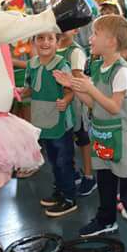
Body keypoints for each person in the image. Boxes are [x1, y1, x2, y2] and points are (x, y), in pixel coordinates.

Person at [55, 15, 127, 252]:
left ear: (110, 42)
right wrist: (78, 88)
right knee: (106, 182)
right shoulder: (100, 67)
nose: (89, 38)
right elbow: (93, 104)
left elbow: (113, 107)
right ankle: (106, 218)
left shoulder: (123, 71)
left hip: (123, 139)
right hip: (102, 135)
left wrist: (87, 86)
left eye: (94, 34)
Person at [25, 31, 77, 217]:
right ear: (34, 42)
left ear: (57, 42)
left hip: (60, 122)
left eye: (50, 39)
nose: (45, 42)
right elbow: (31, 88)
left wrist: (67, 99)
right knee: (53, 161)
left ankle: (70, 197)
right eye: (40, 38)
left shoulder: (62, 65)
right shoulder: (32, 64)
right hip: (42, 120)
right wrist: (22, 92)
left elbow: (70, 90)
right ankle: (60, 191)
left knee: (64, 160)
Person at [56, 29, 96, 197]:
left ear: (76, 30)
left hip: (76, 103)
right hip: (59, 102)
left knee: (82, 138)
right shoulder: (53, 46)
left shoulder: (76, 51)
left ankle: (89, 175)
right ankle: (72, 173)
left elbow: (78, 77)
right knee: (64, 139)